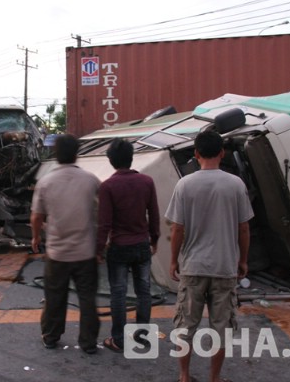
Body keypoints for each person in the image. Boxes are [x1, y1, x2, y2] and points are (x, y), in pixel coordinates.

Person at [165, 130, 253, 382]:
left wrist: (173, 260)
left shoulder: (185, 184)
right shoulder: (235, 184)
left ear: (196, 153)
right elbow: (244, 227)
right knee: (221, 327)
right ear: (222, 153)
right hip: (224, 267)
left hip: (193, 267)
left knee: (185, 326)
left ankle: (184, 376)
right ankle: (214, 378)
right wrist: (243, 259)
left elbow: (177, 228)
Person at [30, 134, 101, 354]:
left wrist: (36, 237)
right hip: (86, 252)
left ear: (56, 155)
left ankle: (51, 336)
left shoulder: (46, 182)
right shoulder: (91, 180)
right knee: (87, 298)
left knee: (54, 297)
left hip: (57, 253)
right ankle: (88, 342)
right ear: (76, 154)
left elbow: (36, 217)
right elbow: (102, 212)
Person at [96, 138, 160, 353]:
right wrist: (155, 238)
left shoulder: (107, 187)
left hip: (119, 247)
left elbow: (104, 223)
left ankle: (119, 340)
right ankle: (142, 338)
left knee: (119, 293)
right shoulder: (147, 182)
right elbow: (154, 213)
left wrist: (98, 249)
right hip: (142, 244)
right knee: (144, 292)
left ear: (111, 161)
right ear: (131, 158)